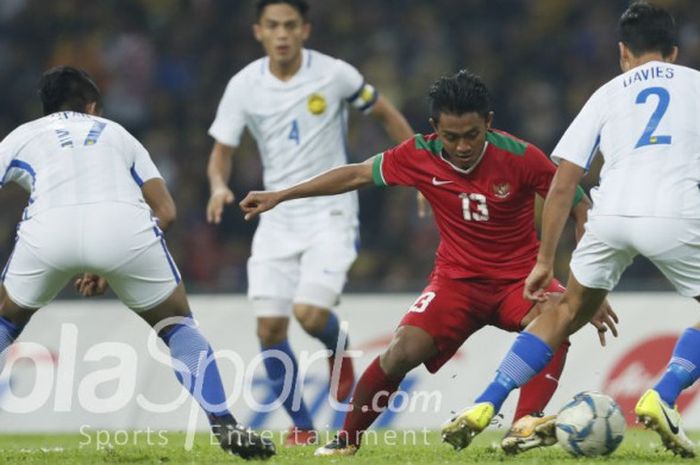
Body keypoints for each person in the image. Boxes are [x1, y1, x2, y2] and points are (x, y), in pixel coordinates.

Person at [240, 70, 617, 456]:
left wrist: (586, 284)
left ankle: (523, 425)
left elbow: (581, 208)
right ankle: (345, 440)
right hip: (455, 285)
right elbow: (354, 174)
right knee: (400, 351)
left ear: (488, 122)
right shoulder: (418, 154)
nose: (463, 146)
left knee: (557, 318)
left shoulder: (521, 157)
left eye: (472, 134)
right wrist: (282, 195)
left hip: (520, 282)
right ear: (435, 127)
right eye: (451, 137)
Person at [441, 1, 700, 459]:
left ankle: (486, 403)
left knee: (566, 311)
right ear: (675, 52)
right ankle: (663, 394)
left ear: (623, 52)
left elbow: (563, 183)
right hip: (675, 213)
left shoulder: (607, 93)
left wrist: (545, 261)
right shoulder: (697, 87)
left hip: (609, 214)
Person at [0, 66, 275, 460]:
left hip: (48, 231)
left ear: (45, 108)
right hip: (124, 227)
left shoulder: (23, 135)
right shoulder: (117, 133)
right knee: (177, 324)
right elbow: (166, 210)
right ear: (92, 106)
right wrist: (110, 260)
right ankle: (223, 421)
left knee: (6, 318)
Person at [205, 0, 414, 446]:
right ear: (258, 31)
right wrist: (219, 185)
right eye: (273, 26)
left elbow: (386, 114)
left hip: (331, 211)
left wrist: (421, 174)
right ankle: (301, 426)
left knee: (311, 314)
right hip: (275, 216)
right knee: (270, 329)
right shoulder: (244, 86)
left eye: (290, 26)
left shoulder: (335, 74)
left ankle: (340, 354)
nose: (282, 34)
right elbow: (222, 148)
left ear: (306, 30)